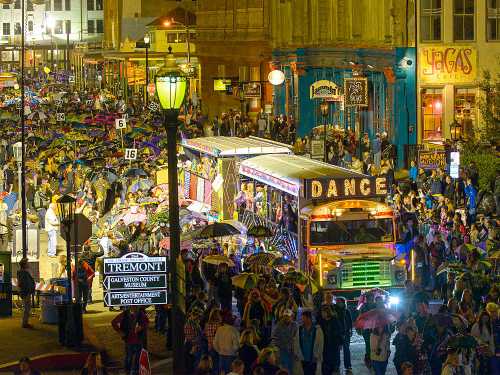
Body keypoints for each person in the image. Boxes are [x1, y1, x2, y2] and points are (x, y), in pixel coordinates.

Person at [111, 306, 149, 375]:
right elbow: (114, 322)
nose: (134, 307)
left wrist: (141, 327)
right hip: (129, 340)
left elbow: (146, 322)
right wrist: (120, 332)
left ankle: (135, 371)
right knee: (129, 357)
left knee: (137, 358)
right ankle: (127, 371)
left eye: (135, 306)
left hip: (138, 340)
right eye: (133, 306)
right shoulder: (125, 314)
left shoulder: (141, 314)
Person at [271, 308, 299, 373]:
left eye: (288, 316)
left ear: (291, 317)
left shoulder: (295, 325)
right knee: (285, 369)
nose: (287, 318)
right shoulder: (278, 326)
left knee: (291, 369)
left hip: (292, 351)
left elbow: (298, 337)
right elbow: (274, 338)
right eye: (285, 316)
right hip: (283, 351)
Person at [296, 310, 323, 375]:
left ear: (309, 318)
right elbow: (296, 342)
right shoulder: (300, 329)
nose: (302, 320)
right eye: (302, 318)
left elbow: (321, 343)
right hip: (303, 358)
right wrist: (297, 353)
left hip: (313, 357)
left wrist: (317, 355)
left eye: (304, 318)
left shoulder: (317, 329)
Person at [17, 258, 35, 329]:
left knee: (27, 308)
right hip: (26, 292)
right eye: (27, 263)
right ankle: (25, 323)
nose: (29, 264)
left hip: (26, 292)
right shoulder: (23, 273)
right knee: (26, 308)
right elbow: (24, 283)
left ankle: (25, 322)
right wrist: (29, 290)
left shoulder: (23, 272)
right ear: (24, 264)